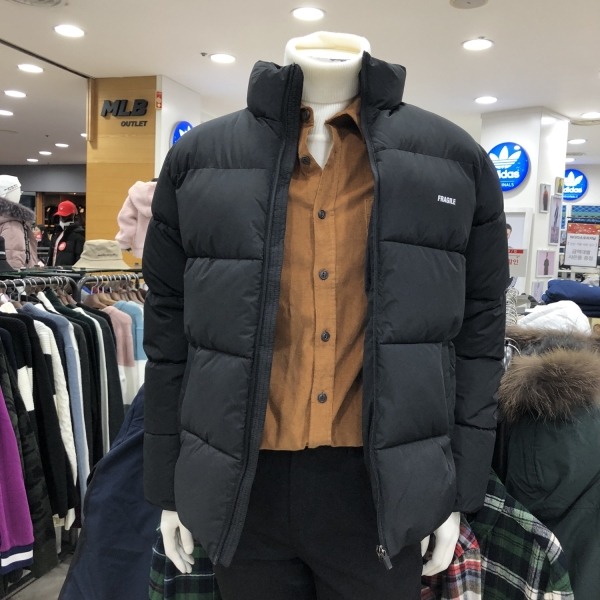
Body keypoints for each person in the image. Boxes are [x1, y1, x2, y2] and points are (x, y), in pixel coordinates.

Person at [142, 31, 508, 600]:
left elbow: (478, 339)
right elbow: (169, 336)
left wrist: (457, 493)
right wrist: (170, 487)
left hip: (383, 489)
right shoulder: (199, 160)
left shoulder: (454, 160)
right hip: (244, 487)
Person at [0, 174, 40, 268]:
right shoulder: (12, 224)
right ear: (6, 193)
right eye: (18, 190)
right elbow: (13, 262)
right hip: (18, 276)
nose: (20, 193)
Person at [115, 179, 157, 259]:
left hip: (142, 248)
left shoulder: (136, 193)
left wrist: (123, 242)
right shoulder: (169, 193)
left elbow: (126, 219)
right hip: (168, 245)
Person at [46, 199, 85, 267]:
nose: (62, 219)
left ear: (73, 216)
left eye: (66, 217)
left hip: (68, 273)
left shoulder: (79, 236)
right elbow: (51, 255)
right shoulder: (56, 234)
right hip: (54, 271)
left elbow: (79, 260)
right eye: (61, 216)